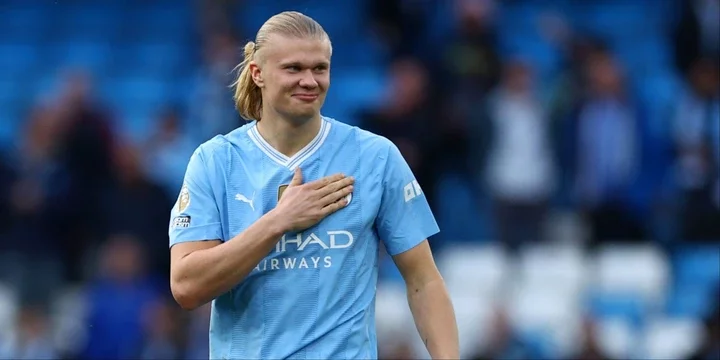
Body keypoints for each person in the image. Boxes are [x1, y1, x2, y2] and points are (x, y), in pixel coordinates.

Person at [167, 11, 459, 360]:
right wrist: (278, 221)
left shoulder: (374, 157)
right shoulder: (215, 161)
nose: (309, 80)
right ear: (257, 73)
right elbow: (186, 286)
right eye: (294, 68)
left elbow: (423, 280)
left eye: (319, 68)